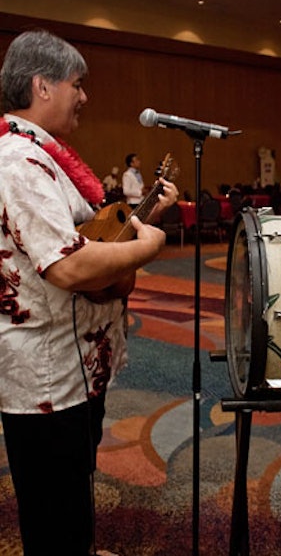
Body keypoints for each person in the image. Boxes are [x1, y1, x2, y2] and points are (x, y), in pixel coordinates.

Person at [0, 29, 178, 556]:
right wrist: (150, 248)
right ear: (43, 86)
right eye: (78, 84)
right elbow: (70, 267)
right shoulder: (17, 163)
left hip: (75, 366)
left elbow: (90, 234)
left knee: (70, 493)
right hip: (46, 378)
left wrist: (141, 224)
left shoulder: (43, 155)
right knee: (51, 505)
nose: (85, 96)